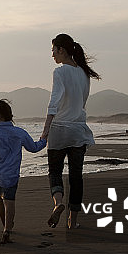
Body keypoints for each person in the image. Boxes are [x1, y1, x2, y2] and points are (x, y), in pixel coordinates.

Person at [40, 34, 101, 229]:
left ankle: (58, 204)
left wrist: (46, 129)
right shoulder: (84, 73)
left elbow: (54, 101)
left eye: (53, 51)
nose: (52, 55)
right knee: (76, 177)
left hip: (59, 129)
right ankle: (72, 222)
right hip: (77, 130)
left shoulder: (60, 72)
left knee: (55, 172)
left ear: (62, 50)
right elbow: (83, 102)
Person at [0, 100, 46, 243]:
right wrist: (44, 140)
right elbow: (34, 148)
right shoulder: (19, 133)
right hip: (12, 173)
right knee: (10, 201)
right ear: (10, 115)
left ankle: (6, 226)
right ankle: (7, 229)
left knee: (1, 200)